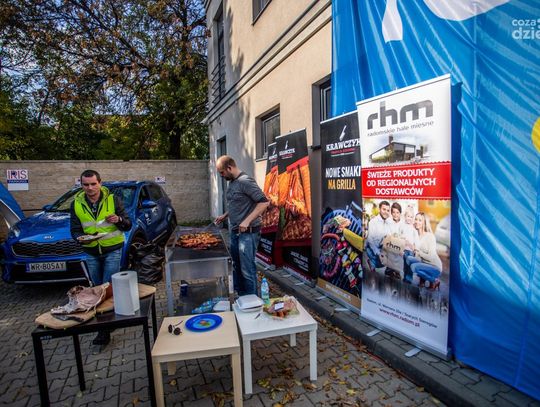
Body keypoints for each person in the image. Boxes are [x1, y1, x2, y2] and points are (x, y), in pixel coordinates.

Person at [70, 169, 132, 345]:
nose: (90, 188)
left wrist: (118, 220)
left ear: (100, 183)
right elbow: (75, 230)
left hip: (112, 249)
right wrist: (79, 238)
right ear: (81, 185)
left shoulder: (113, 199)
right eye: (86, 184)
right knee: (96, 289)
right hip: (90, 251)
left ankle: (103, 331)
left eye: (93, 184)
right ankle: (107, 321)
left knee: (105, 288)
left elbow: (127, 224)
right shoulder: (76, 204)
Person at [214, 156, 269, 296]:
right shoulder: (232, 183)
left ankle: (253, 301)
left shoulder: (245, 181)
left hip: (248, 234)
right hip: (235, 232)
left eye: (222, 172)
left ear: (229, 168)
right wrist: (225, 215)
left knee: (247, 269)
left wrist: (247, 221)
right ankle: (242, 297)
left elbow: (264, 202)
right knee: (236, 265)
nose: (221, 176)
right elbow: (238, 203)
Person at [402, 212, 442, 289]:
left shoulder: (430, 236)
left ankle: (434, 280)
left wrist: (417, 251)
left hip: (435, 266)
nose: (417, 222)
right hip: (424, 263)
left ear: (424, 222)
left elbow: (430, 257)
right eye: (416, 219)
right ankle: (423, 279)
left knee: (413, 267)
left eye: (420, 220)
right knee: (408, 258)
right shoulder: (415, 234)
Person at [365, 201, 393, 271]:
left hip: (382, 248)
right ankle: (372, 262)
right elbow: (370, 240)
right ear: (379, 209)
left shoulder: (388, 223)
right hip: (372, 249)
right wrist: (378, 253)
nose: (386, 212)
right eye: (384, 209)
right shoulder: (373, 222)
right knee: (383, 260)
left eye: (388, 210)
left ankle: (375, 263)